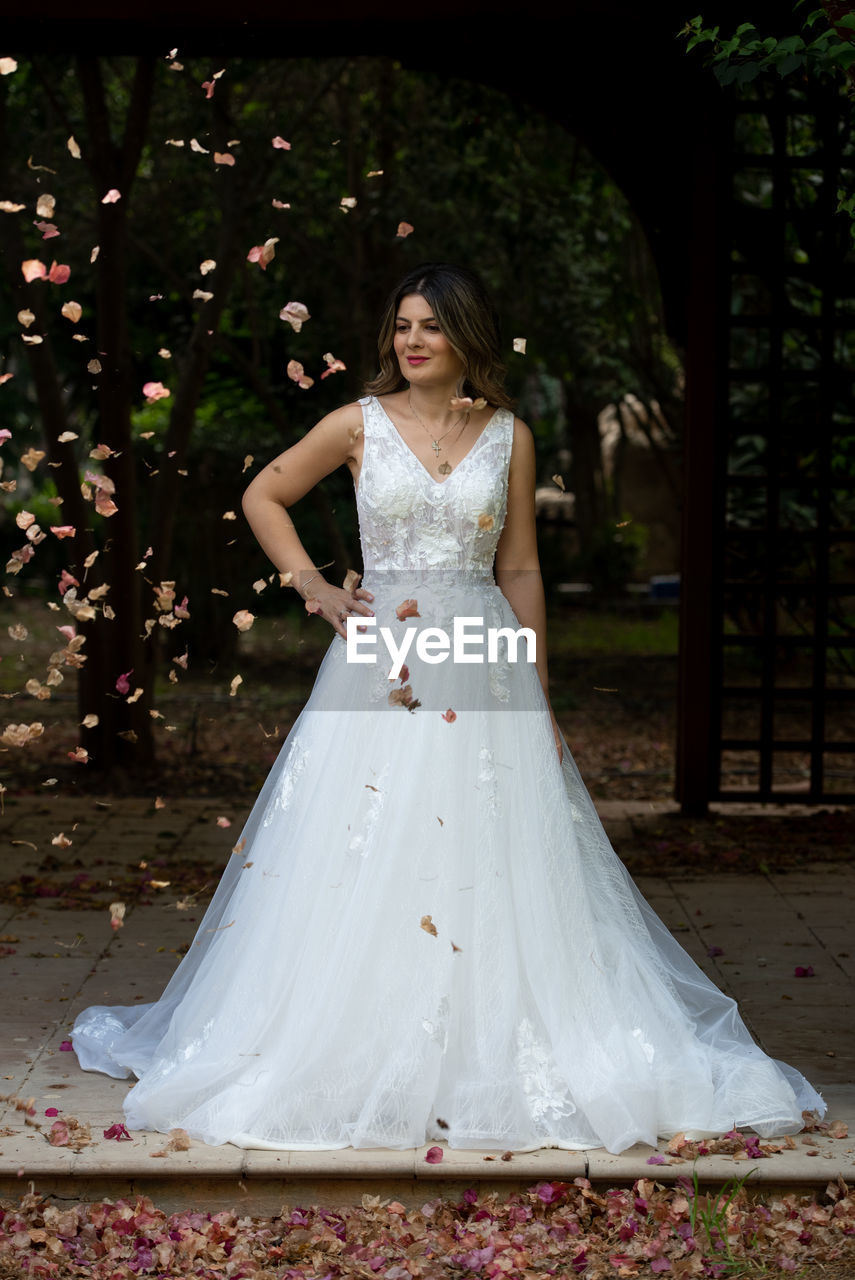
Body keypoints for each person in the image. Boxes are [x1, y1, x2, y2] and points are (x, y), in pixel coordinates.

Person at [71, 263, 825, 1154]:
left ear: (467, 334)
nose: (412, 341)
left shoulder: (509, 435)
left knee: (489, 845)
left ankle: (484, 1036)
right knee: (366, 840)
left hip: (481, 652)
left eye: (430, 325)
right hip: (382, 657)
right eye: (401, 326)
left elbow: (519, 568)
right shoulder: (357, 423)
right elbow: (263, 494)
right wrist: (312, 587)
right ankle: (356, 1035)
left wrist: (536, 693)